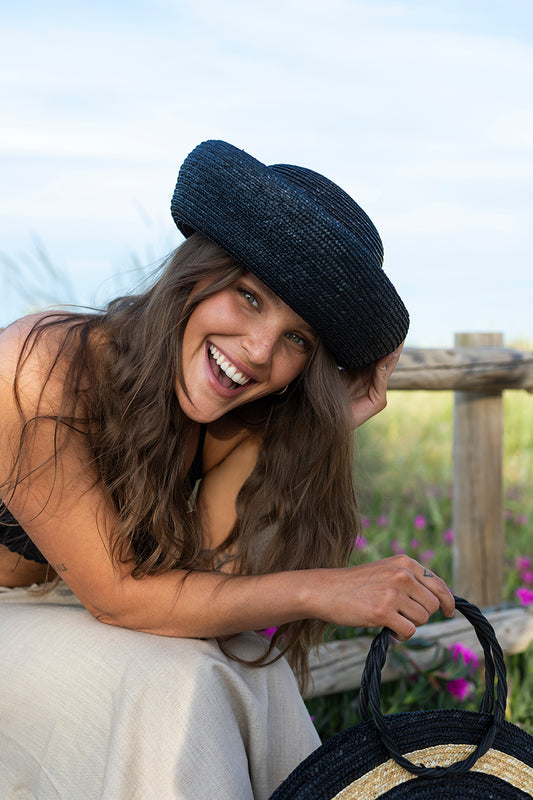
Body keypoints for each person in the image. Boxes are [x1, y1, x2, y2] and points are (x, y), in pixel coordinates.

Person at [0, 140, 454, 799]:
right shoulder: (39, 364)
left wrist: (327, 424)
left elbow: (211, 579)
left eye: (297, 338)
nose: (260, 351)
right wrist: (320, 589)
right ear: (195, 275)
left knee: (250, 666)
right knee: (179, 684)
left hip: (69, 615)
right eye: (248, 297)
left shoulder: (227, 410)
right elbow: (119, 595)